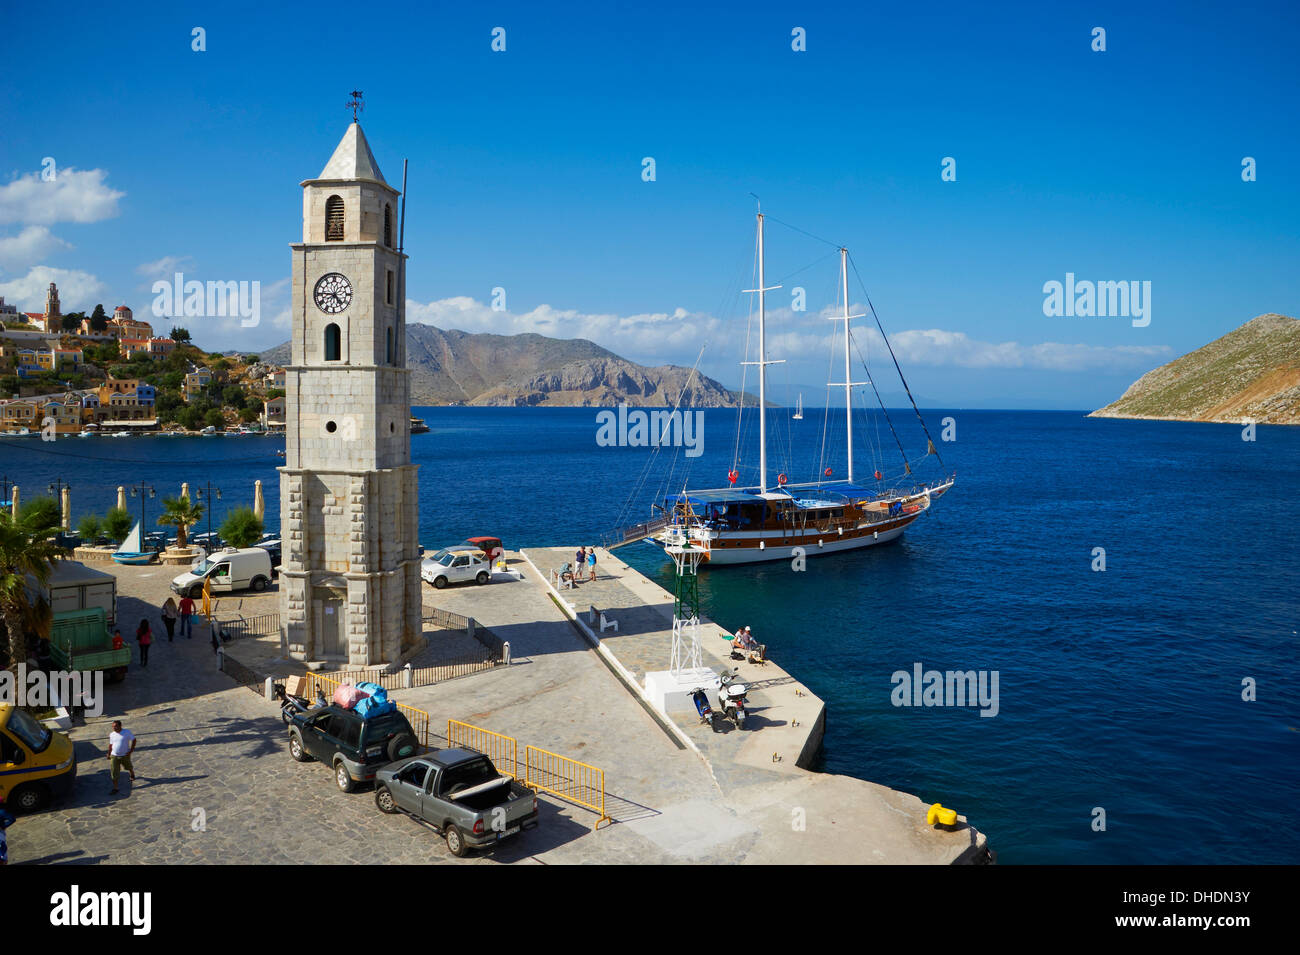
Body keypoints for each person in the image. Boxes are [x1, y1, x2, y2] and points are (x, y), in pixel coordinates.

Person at [107, 719, 137, 795]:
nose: (114, 728)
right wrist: (109, 753)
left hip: (125, 755)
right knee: (114, 772)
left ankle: (132, 773)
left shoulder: (126, 732)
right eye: (113, 727)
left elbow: (134, 740)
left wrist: (131, 750)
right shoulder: (112, 734)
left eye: (116, 726)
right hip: (114, 756)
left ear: (120, 726)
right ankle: (115, 788)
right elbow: (111, 745)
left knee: (128, 766)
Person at [0, 797, 13, 865]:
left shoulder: (2, 812)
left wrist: (3, 826)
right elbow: (12, 819)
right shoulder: (2, 811)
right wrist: (3, 826)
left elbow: (12, 819)